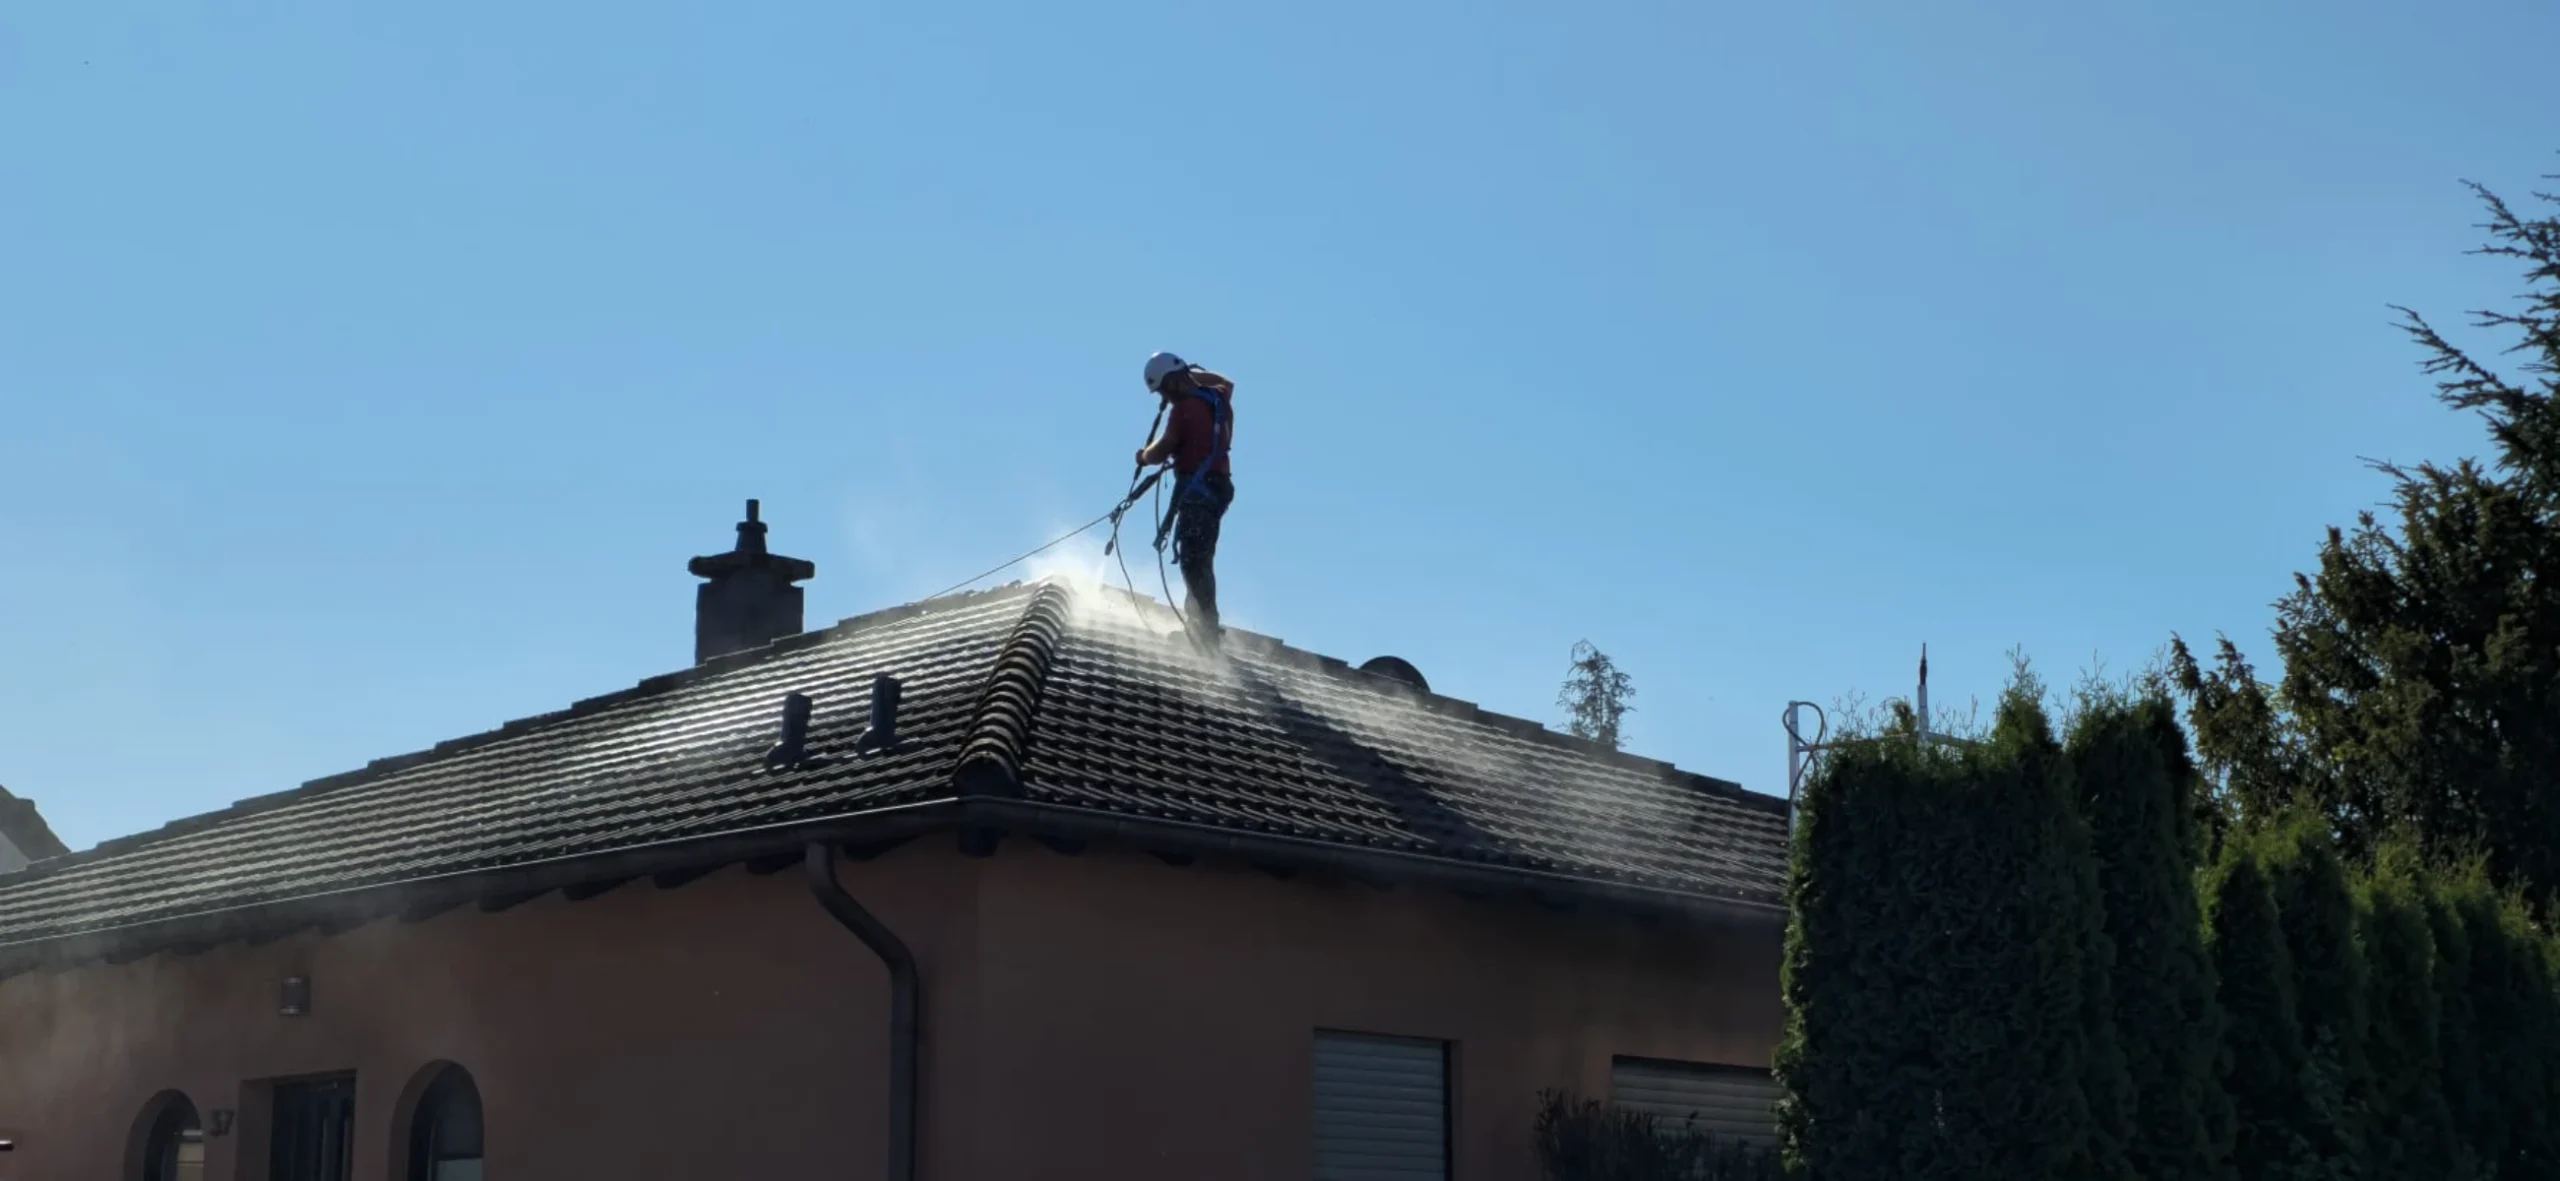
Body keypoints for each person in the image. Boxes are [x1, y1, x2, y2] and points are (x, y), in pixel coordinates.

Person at [1135, 351, 1235, 646]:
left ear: (1171, 383)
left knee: (1194, 561)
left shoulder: (1183, 410)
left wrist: (1143, 457)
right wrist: (1190, 376)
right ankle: (1202, 627)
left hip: (1199, 492)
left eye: (1163, 390)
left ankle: (1204, 633)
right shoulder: (1217, 397)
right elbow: (1227, 382)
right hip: (1218, 488)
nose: (1164, 398)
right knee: (1201, 557)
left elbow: (1162, 449)